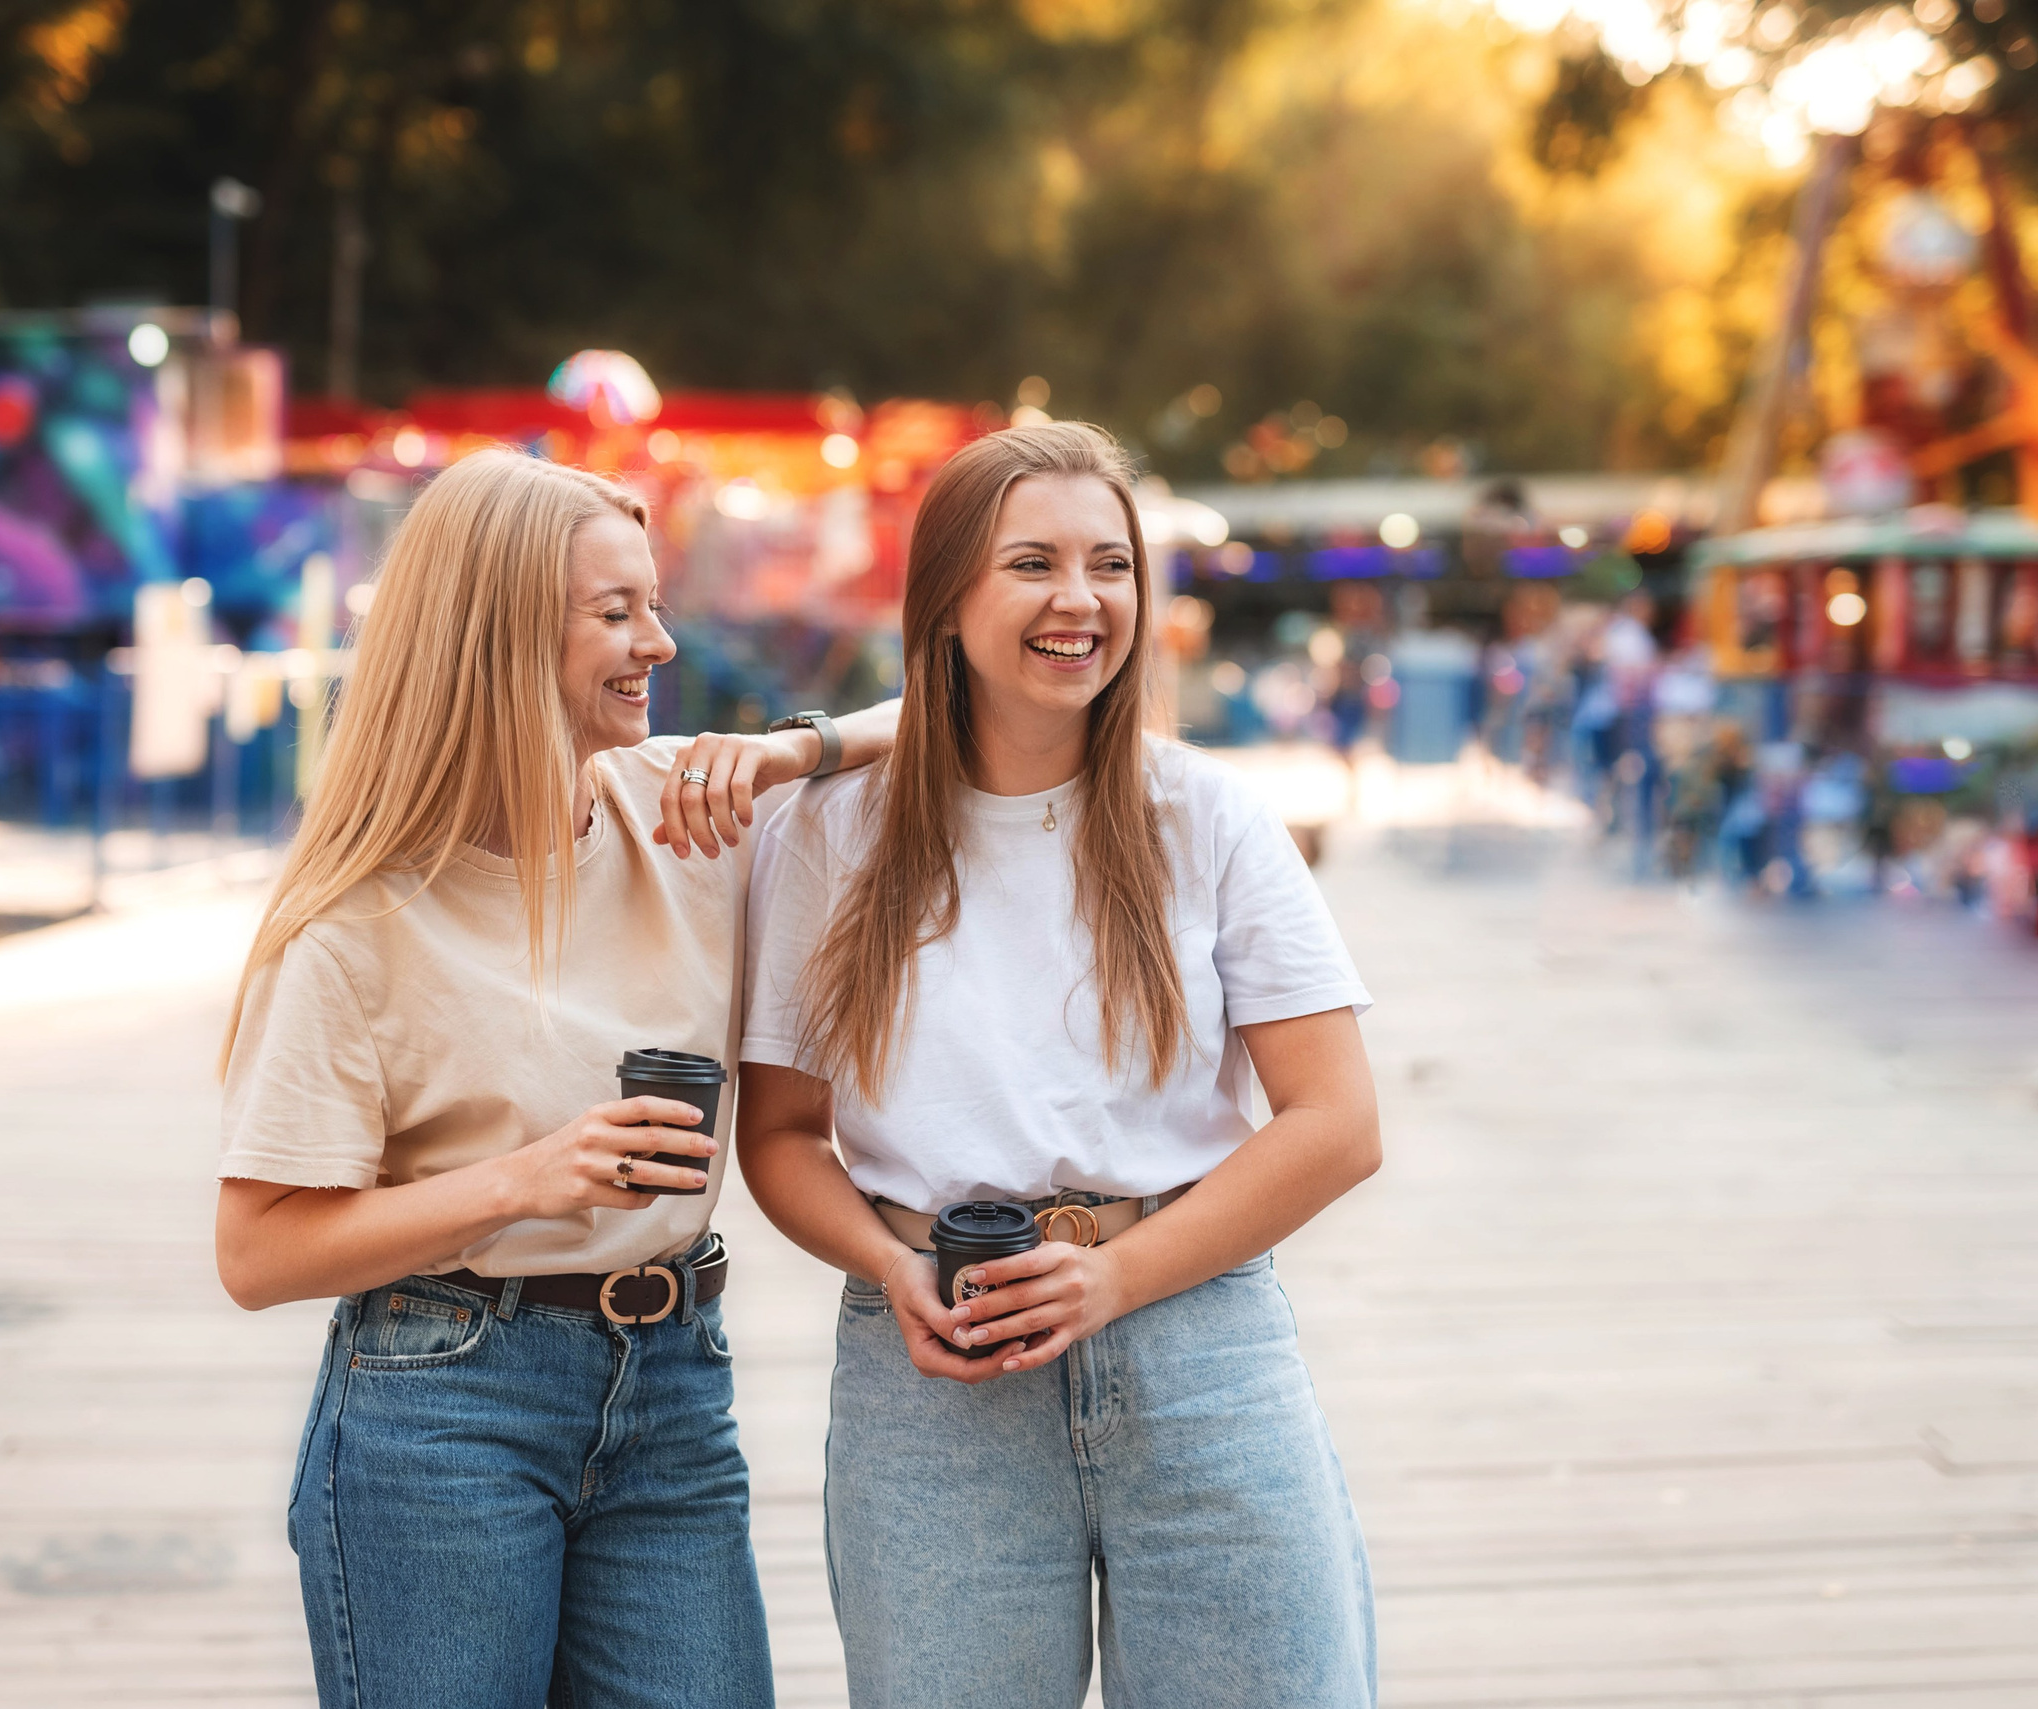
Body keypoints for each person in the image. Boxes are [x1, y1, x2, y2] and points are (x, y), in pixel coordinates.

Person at [213, 450, 896, 1709]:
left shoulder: (684, 808)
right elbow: (257, 1252)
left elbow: (949, 730)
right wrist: (521, 1179)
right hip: (444, 1402)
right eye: (616, 611)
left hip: (673, 1383)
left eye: (652, 602)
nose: (661, 639)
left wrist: (794, 751)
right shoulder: (354, 926)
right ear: (504, 631)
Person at [735, 423, 1381, 1709]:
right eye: (1031, 563)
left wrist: (1114, 1278)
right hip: (938, 1362)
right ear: (949, 599)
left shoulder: (1206, 815)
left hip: (1198, 1341)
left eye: (1110, 564)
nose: (1079, 600)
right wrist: (889, 1265)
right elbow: (782, 1136)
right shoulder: (826, 831)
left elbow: (1337, 1120)